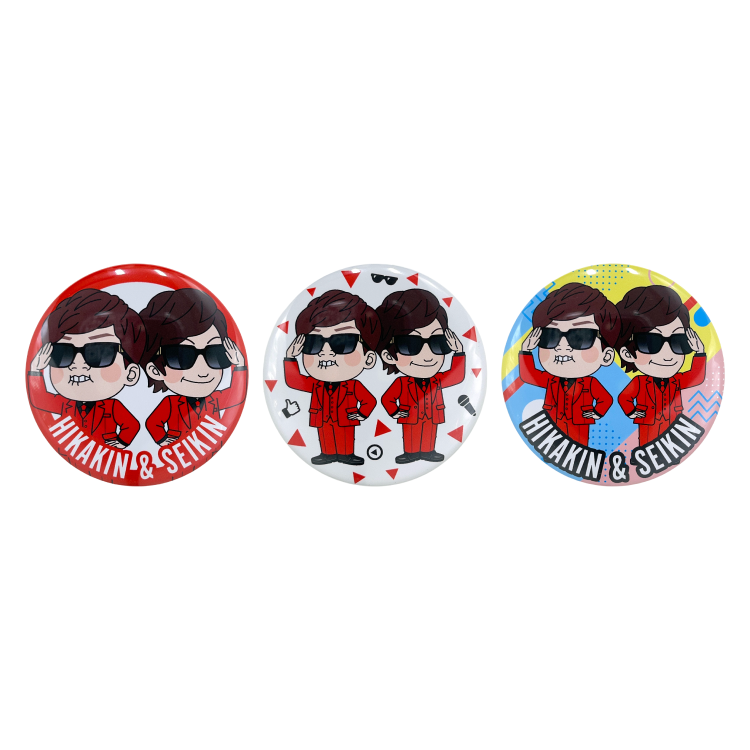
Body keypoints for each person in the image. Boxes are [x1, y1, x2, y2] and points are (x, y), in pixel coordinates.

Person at [27, 289, 144, 448]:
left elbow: (131, 425)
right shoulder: (65, 404)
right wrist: (35, 370)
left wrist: (122, 443)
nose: (78, 363)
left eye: (98, 353)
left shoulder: (113, 408)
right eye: (63, 353)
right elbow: (41, 402)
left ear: (130, 374)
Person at [284, 290, 380, 466]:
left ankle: (346, 454)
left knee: (345, 437)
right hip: (322, 418)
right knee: (325, 436)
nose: (325, 351)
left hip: (345, 419)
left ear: (368, 359)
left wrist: (361, 414)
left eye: (343, 342)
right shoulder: (315, 384)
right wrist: (290, 357)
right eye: (314, 343)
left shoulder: (354, 386)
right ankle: (327, 454)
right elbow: (293, 381)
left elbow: (370, 400)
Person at [140, 289, 246, 445]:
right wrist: (163, 441)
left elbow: (236, 396)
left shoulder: (215, 399)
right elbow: (153, 423)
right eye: (182, 357)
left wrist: (240, 365)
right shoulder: (170, 404)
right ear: (155, 370)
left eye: (215, 354)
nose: (203, 371)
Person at [520, 282, 619, 446]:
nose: (562, 346)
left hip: (579, 425)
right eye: (550, 336)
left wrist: (597, 413)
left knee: (580, 448)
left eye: (580, 337)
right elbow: (528, 376)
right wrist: (525, 351)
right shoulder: (551, 380)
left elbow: (606, 399)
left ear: (606, 356)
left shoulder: (591, 384)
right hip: (552, 424)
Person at [376, 289, 465, 464]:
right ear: (388, 355)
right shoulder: (401, 383)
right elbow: (387, 398)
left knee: (430, 434)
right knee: (410, 435)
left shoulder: (437, 380)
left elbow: (457, 377)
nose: (427, 356)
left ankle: (428, 451)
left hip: (432, 415)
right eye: (410, 345)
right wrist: (395, 412)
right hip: (410, 416)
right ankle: (410, 453)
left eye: (437, 343)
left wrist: (459, 352)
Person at [615, 285, 706, 445]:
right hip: (648, 424)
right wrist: (632, 412)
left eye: (678, 342)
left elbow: (696, 378)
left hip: (674, 425)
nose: (667, 354)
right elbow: (624, 397)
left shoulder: (677, 380)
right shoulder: (639, 383)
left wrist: (699, 353)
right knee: (646, 446)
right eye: (650, 343)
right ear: (627, 353)